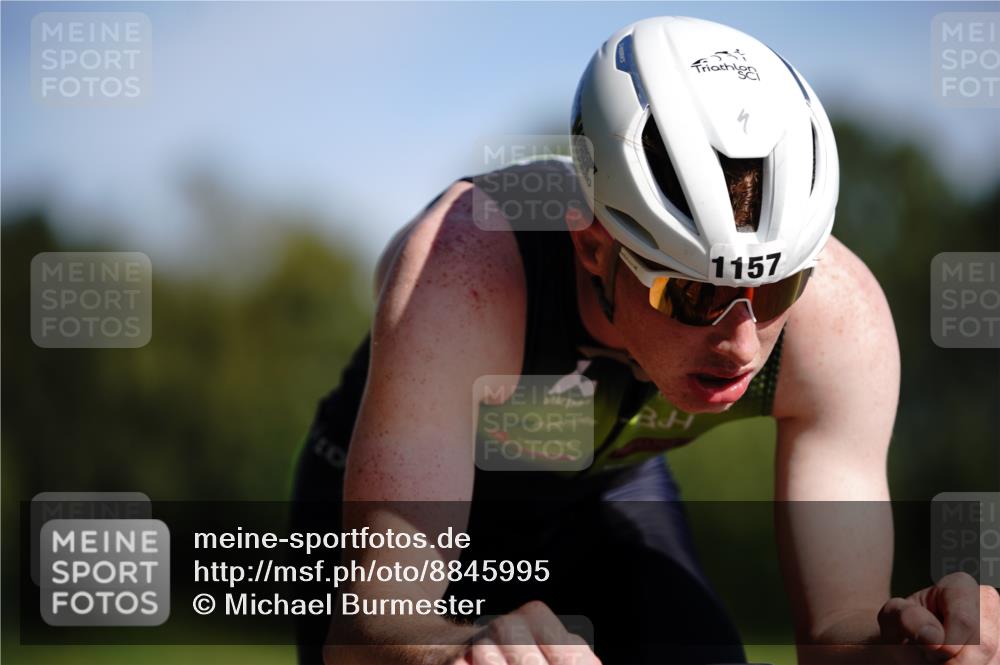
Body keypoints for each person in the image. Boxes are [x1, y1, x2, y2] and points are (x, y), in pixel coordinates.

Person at [291, 15, 1000, 665]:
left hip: (604, 489)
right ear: (594, 246)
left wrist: (910, 650)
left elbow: (835, 634)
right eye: (694, 294)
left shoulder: (843, 321)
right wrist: (457, 652)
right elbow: (366, 634)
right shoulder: (468, 267)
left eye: (777, 289)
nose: (744, 345)